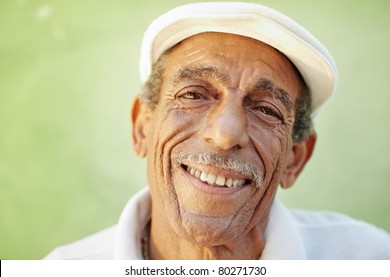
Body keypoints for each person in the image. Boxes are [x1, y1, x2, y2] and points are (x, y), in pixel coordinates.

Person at [44, 2, 390, 260]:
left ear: (294, 159)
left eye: (266, 110)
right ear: (142, 127)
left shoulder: (369, 258)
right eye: (193, 95)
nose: (226, 135)